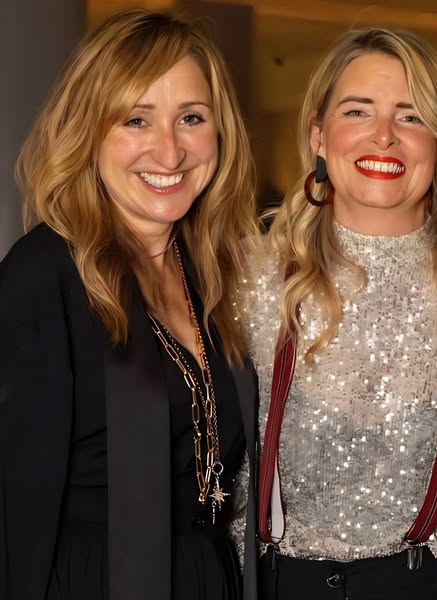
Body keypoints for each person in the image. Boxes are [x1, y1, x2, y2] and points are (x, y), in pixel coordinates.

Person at [243, 28, 437, 600]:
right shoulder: (247, 279)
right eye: (358, 111)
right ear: (319, 136)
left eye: (411, 116)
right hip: (281, 583)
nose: (384, 135)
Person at [0, 9, 259, 600]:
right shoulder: (41, 279)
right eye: (136, 120)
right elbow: (11, 507)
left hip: (207, 577)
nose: (169, 151)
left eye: (191, 118)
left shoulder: (218, 273)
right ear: (88, 132)